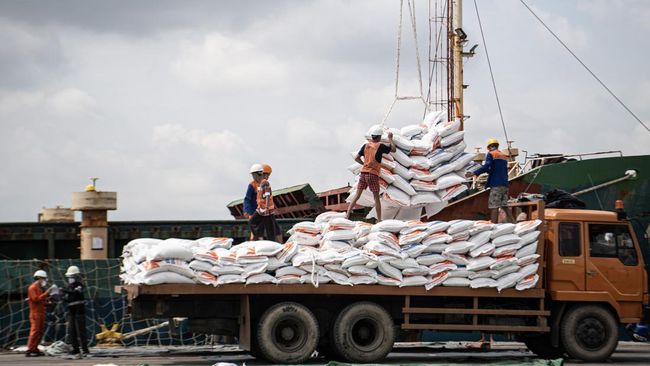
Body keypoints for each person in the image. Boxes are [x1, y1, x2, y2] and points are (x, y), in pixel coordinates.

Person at [346, 125, 396, 221]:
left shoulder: (366, 145)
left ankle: (347, 214)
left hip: (363, 173)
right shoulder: (380, 146)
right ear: (380, 137)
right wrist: (390, 139)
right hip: (372, 174)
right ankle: (379, 219)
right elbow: (393, 149)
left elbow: (356, 157)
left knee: (357, 195)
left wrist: (364, 163)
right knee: (376, 197)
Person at [466, 138, 514, 224]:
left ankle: (493, 226)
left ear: (489, 147)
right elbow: (497, 170)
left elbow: (486, 166)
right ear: (497, 146)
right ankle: (514, 223)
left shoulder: (491, 154)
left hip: (496, 184)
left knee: (494, 206)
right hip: (505, 184)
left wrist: (475, 173)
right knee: (504, 206)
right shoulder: (503, 156)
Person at [245, 163, 277, 240]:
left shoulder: (264, 182)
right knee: (252, 222)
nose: (253, 177)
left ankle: (271, 243)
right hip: (261, 209)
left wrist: (266, 207)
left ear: (258, 173)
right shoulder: (259, 183)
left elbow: (267, 195)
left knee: (270, 229)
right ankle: (258, 238)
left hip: (266, 209)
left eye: (253, 175)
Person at [63, 266, 89, 357]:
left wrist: (65, 291)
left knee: (81, 331)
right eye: (69, 277)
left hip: (79, 311)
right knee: (72, 331)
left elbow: (74, 292)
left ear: (76, 276)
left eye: (72, 277)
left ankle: (85, 350)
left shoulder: (79, 285)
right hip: (71, 311)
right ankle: (75, 349)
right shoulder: (68, 286)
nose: (70, 279)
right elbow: (67, 297)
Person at [26, 270, 53, 357]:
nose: (44, 281)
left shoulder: (38, 288)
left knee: (40, 331)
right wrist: (47, 293)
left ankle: (35, 348)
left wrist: (47, 303)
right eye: (43, 279)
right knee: (34, 331)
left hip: (41, 313)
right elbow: (35, 299)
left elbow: (40, 301)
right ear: (39, 278)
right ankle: (30, 349)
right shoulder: (32, 288)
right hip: (35, 313)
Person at [262, 163, 283, 243]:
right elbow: (266, 196)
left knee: (275, 230)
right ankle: (279, 246)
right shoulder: (265, 183)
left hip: (265, 211)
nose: (268, 177)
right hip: (267, 211)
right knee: (275, 230)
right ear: (264, 174)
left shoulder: (259, 183)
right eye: (268, 175)